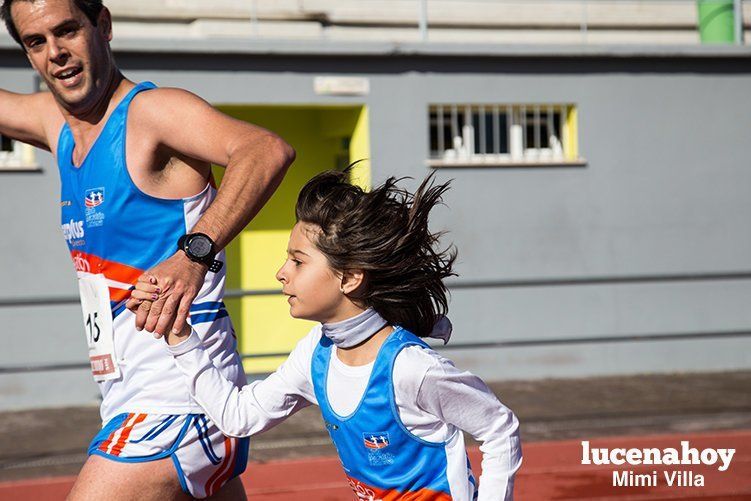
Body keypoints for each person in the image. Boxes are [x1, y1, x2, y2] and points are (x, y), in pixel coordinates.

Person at [0, 0, 295, 499]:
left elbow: (265, 150)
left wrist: (194, 253)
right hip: (131, 396)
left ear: (104, 25)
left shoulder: (152, 113)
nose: (56, 53)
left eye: (67, 30)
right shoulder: (57, 124)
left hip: (176, 399)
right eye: (36, 42)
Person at [133, 170, 523, 500]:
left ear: (351, 277)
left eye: (298, 261)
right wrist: (179, 335)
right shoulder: (314, 355)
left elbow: (499, 428)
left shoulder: (412, 369)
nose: (281, 273)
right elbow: (237, 416)